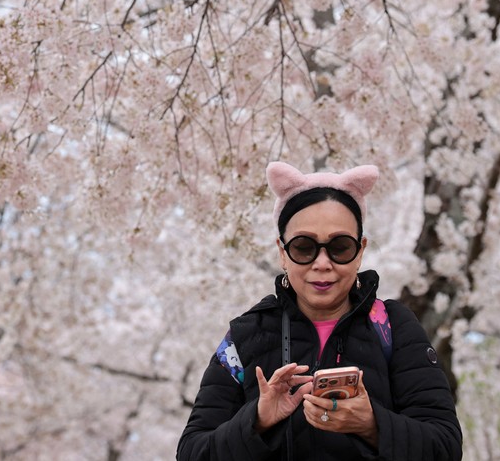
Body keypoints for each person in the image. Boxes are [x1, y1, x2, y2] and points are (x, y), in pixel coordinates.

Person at [177, 161, 463, 460]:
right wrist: (257, 420)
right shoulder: (245, 335)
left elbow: (445, 446)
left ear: (360, 251)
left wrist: (372, 425)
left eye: (340, 247)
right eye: (303, 247)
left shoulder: (393, 326)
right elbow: (192, 453)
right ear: (282, 253)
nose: (322, 263)